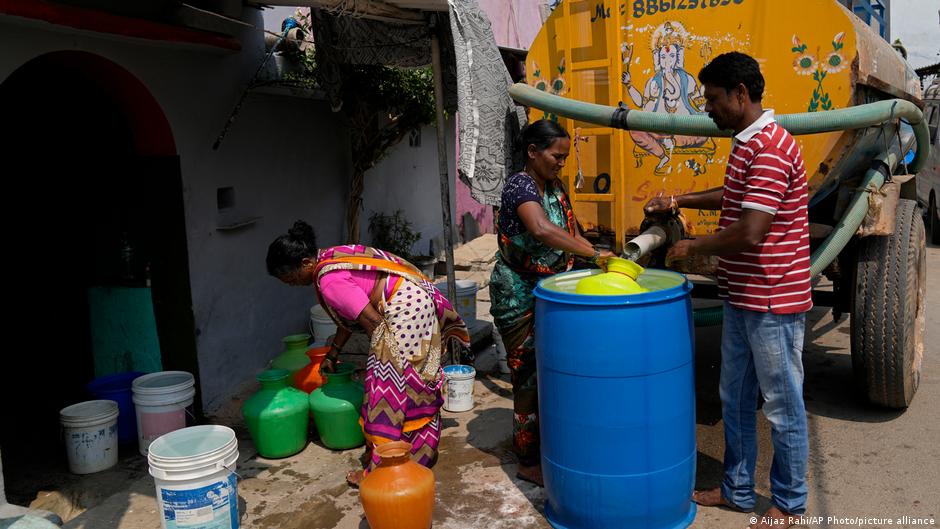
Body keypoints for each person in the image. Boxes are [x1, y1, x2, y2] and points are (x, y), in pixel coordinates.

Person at [645, 52, 811, 529]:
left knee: (781, 404)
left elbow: (752, 229)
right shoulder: (748, 143)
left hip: (772, 298)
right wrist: (679, 198)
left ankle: (790, 505)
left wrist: (693, 247)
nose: (708, 109)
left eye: (714, 99)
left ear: (741, 94)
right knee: (734, 396)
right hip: (743, 295)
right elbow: (734, 195)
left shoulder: (773, 147)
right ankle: (738, 489)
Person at [266, 221, 470, 486]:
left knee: (388, 396)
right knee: (419, 381)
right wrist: (334, 352)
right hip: (418, 305)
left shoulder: (328, 281)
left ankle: (384, 471)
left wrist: (384, 369)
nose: (293, 285)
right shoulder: (331, 256)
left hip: (405, 313)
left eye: (291, 279)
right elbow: (350, 316)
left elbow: (373, 322)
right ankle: (420, 452)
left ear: (305, 262)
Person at [489, 119, 614, 487]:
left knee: (554, 372)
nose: (562, 163)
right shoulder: (520, 186)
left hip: (553, 290)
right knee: (527, 374)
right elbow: (542, 229)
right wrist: (594, 253)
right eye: (556, 156)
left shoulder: (555, 186)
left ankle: (553, 443)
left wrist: (600, 259)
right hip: (519, 294)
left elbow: (569, 231)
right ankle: (528, 459)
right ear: (532, 152)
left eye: (565, 156)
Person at [620, 21, 709, 175]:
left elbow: (699, 105)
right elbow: (642, 104)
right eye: (663, 56)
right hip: (658, 129)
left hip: (683, 129)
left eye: (672, 55)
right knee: (633, 127)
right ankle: (662, 155)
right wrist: (629, 85)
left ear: (678, 58)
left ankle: (672, 142)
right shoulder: (654, 81)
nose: (667, 59)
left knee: (705, 130)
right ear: (658, 59)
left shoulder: (687, 79)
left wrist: (705, 90)